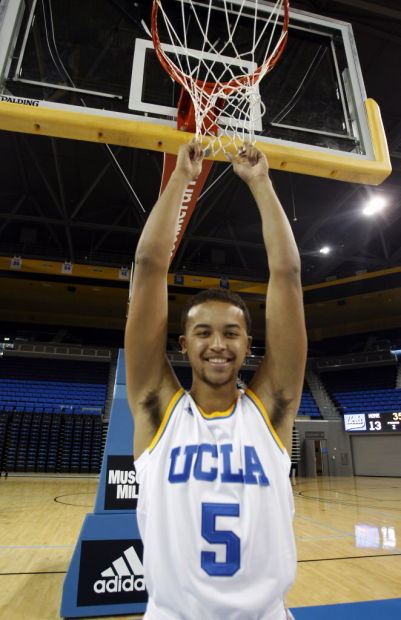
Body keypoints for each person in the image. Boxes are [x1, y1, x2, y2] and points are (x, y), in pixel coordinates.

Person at [125, 140, 307, 619]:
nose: (218, 344)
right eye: (202, 332)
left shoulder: (271, 411)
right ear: (184, 345)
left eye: (232, 333)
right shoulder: (157, 409)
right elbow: (148, 268)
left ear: (249, 345)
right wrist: (181, 181)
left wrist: (262, 183)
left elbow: (286, 273)